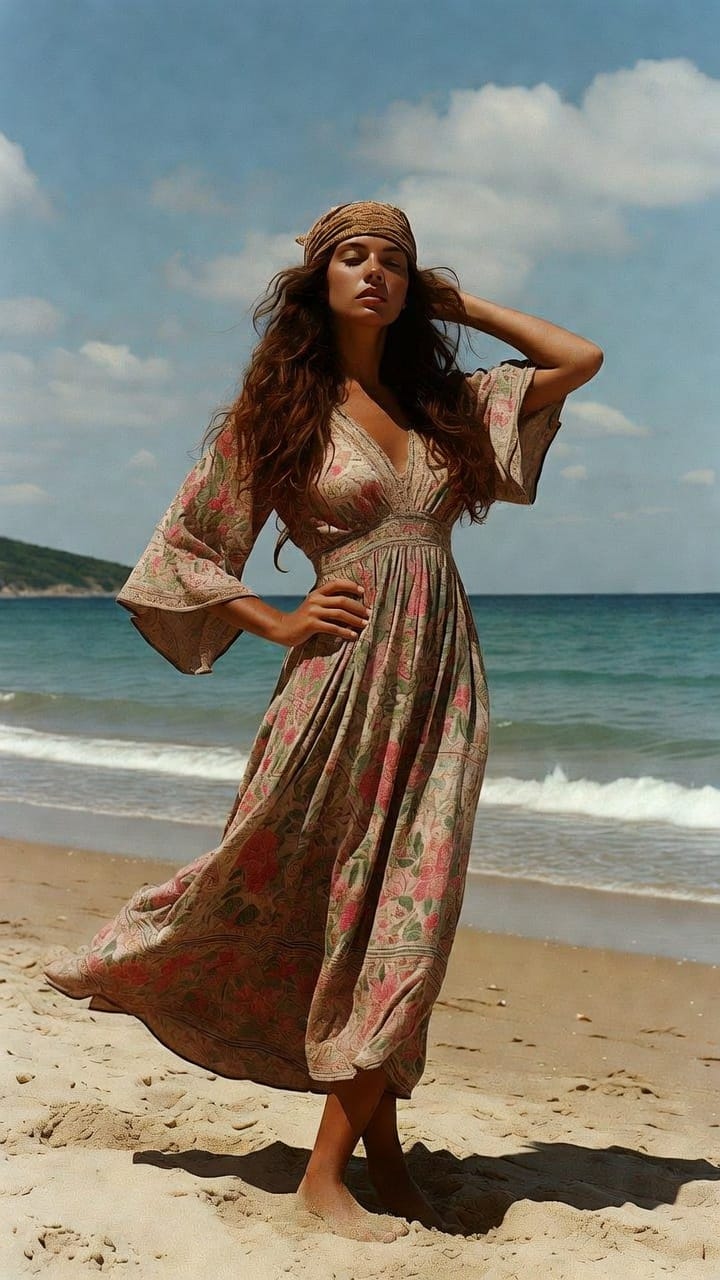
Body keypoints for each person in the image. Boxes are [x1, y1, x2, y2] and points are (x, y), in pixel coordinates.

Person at [43, 200, 603, 1243]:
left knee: (408, 914)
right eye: (354, 257)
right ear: (318, 280)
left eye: (395, 261)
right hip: (336, 686)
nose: (375, 273)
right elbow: (180, 552)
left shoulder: (446, 404)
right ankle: (333, 1175)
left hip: (440, 682)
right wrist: (276, 615)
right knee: (335, 899)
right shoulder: (275, 416)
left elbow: (581, 357)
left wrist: (460, 301)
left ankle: (372, 1158)